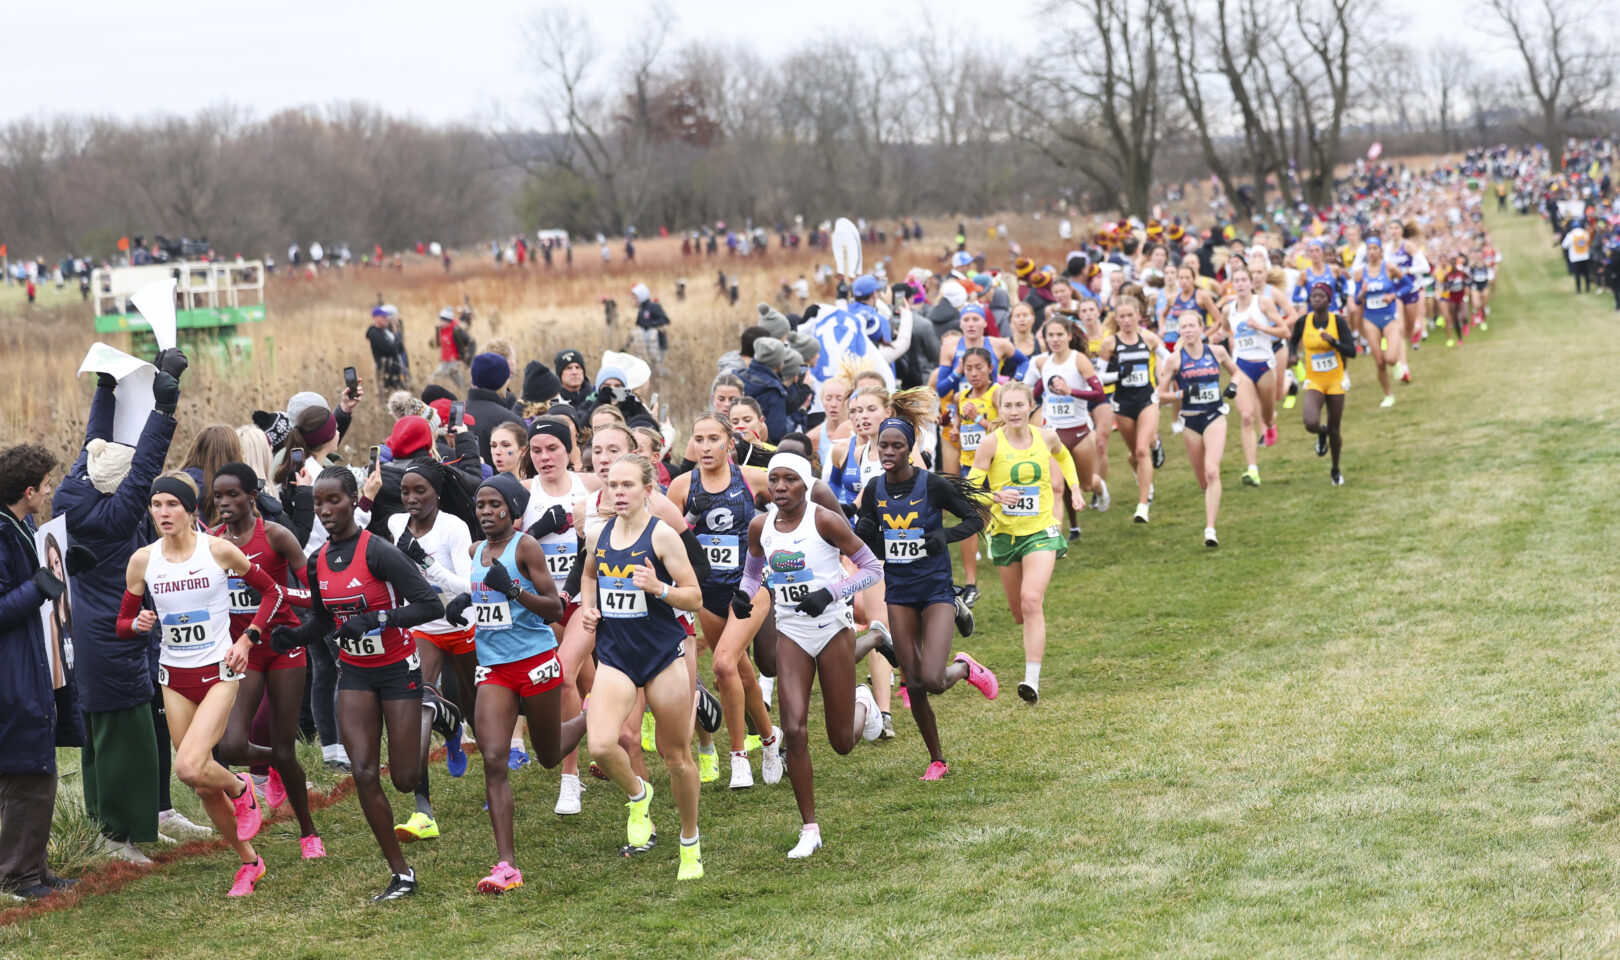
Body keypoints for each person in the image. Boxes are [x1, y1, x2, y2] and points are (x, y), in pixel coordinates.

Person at [269, 466, 446, 902]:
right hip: (355, 675)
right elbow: (325, 619)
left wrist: (380, 618)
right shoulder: (317, 562)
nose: (326, 511)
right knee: (365, 772)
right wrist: (296, 635)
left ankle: (433, 708)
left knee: (404, 779)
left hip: (397, 668)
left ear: (353, 500)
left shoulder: (379, 552)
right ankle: (401, 873)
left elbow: (428, 603)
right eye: (319, 505)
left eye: (334, 501)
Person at [116, 473, 289, 896]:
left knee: (190, 766)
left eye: (172, 504)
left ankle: (242, 785)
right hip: (174, 677)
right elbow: (122, 623)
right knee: (199, 780)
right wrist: (136, 624)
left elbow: (274, 594)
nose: (162, 513)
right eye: (156, 505)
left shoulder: (219, 550)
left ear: (190, 509)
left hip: (220, 670)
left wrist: (249, 639)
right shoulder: (143, 559)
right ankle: (250, 862)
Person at [54, 349, 189, 862]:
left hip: (87, 630)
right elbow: (146, 467)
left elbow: (95, 443)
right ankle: (117, 835)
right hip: (117, 634)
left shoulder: (72, 491)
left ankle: (108, 827)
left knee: (101, 734)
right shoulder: (115, 519)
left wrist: (106, 389)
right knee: (123, 740)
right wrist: (165, 405)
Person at [443, 474, 588, 894]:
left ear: (513, 509)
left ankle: (590, 715)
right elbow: (484, 593)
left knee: (546, 755)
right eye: (480, 505)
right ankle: (507, 864)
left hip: (535, 661)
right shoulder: (474, 551)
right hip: (494, 668)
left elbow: (555, 609)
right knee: (493, 757)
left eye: (494, 505)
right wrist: (464, 601)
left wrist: (513, 590)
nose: (486, 512)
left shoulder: (525, 547)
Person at [740, 452, 885, 858]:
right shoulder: (760, 526)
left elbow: (872, 568)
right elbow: (753, 573)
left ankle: (864, 702)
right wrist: (743, 595)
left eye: (790, 480)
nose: (781, 487)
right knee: (795, 730)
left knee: (841, 742)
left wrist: (831, 593)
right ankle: (809, 827)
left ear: (806, 484)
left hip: (833, 629)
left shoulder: (824, 520)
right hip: (791, 632)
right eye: (775, 480)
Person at [580, 455, 706, 880]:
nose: (618, 492)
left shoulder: (663, 536)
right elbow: (589, 576)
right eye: (612, 485)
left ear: (647, 489)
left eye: (627, 485)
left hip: (661, 655)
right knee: (599, 746)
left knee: (677, 757)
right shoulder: (597, 534)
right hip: (616, 655)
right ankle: (638, 795)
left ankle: (690, 843)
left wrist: (659, 588)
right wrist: (589, 609)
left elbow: (694, 597)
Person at [852, 417, 996, 780]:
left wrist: (943, 537)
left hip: (934, 589)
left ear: (909, 449)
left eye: (896, 446)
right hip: (899, 591)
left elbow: (977, 517)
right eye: (883, 445)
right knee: (913, 684)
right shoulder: (873, 489)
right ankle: (937, 759)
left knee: (933, 678)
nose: (888, 452)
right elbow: (868, 538)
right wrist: (866, 530)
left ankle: (964, 667)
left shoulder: (931, 484)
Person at [209, 464, 324, 860]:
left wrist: (277, 597)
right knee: (234, 745)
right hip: (243, 651)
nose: (224, 502)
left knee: (285, 741)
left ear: (252, 496)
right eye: (218, 495)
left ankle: (309, 833)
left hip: (284, 646)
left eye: (232, 495)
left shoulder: (275, 535)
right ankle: (276, 763)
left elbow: (313, 593)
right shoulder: (211, 543)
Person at [665, 413, 782, 790]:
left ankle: (738, 756)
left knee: (722, 665)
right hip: (708, 594)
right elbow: (666, 539)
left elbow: (804, 499)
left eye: (713, 438)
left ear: (729, 443)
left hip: (751, 587)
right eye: (698, 439)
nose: (705, 446)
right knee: (739, 672)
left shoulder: (754, 480)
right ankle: (769, 740)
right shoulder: (682, 486)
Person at [0, 443, 90, 900]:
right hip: (12, 672)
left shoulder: (23, 525)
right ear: (29, 491)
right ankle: (18, 876)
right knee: (26, 770)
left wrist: (65, 567)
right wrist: (39, 587)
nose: (52, 490)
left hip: (36, 662)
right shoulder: (0, 534)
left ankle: (35, 867)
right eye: (48, 484)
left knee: (41, 768)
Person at [968, 382, 1082, 704]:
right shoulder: (990, 444)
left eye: (1020, 405)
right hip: (1005, 535)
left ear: (1031, 406)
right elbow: (970, 491)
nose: (1014, 411)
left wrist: (1075, 488)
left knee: (1032, 600)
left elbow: (1064, 456)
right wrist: (995, 496)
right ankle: (1032, 626)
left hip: (1041, 531)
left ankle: (1031, 680)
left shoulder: (1046, 436)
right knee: (1019, 613)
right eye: (1008, 406)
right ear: (1000, 410)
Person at [387, 461, 475, 840]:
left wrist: (423, 560)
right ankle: (423, 812)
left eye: (419, 491)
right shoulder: (394, 526)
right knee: (416, 705)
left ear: (436, 492)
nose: (411, 499)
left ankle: (456, 730)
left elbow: (467, 584)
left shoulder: (453, 527)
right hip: (423, 627)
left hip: (462, 624)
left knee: (478, 710)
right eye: (405, 492)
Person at [1157, 311, 1241, 547]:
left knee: (1212, 471)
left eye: (1192, 326)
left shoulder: (1217, 352)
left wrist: (1233, 386)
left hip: (1214, 416)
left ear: (1201, 328)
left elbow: (1236, 373)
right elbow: (1160, 395)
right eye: (1183, 327)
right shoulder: (1174, 360)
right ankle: (1209, 498)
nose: (1188, 330)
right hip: (1191, 422)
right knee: (1204, 481)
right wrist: (1181, 394)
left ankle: (1210, 529)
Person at [1097, 296, 1166, 522]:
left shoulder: (1149, 339)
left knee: (1141, 450)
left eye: (1130, 315)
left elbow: (1168, 357)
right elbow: (1098, 376)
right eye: (1122, 316)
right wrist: (1119, 375)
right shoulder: (1109, 344)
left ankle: (1142, 506)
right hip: (1122, 403)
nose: (1126, 320)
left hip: (1147, 399)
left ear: (1138, 315)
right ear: (1116, 318)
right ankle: (1147, 463)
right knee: (1134, 454)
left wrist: (1164, 377)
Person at [1221, 264, 1290, 486]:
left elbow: (1284, 331)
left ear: (1251, 283)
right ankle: (1253, 470)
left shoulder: (1263, 303)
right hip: (1241, 367)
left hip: (1265, 365)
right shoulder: (1228, 309)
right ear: (1233, 285)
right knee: (1246, 416)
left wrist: (1260, 326)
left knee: (1267, 415)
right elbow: (1223, 330)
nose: (1240, 284)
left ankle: (1270, 423)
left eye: (1244, 280)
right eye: (1237, 280)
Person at [1289, 283, 1357, 485]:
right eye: (1313, 296)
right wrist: (1293, 355)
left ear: (1329, 300)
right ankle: (1321, 433)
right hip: (1315, 380)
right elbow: (1292, 342)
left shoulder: (1338, 322)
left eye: (1321, 296)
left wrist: (1334, 342)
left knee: (1336, 429)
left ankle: (1335, 470)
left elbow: (1351, 351)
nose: (1316, 299)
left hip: (1336, 380)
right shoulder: (1304, 321)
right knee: (1310, 422)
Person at [1349, 238, 1406, 409]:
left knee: (1389, 358)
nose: (1372, 252)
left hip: (1389, 317)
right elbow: (1358, 301)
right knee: (1379, 361)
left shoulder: (1389, 268)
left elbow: (1407, 285)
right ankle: (1388, 395)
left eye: (1375, 248)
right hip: (1370, 319)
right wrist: (1362, 293)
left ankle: (1396, 363)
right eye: (1369, 249)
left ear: (1381, 251)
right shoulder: (1360, 273)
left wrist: (1393, 295)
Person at [465, 354, 525, 464]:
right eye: (507, 377)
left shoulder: (456, 413)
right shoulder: (509, 420)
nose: (508, 382)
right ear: (500, 381)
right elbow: (521, 457)